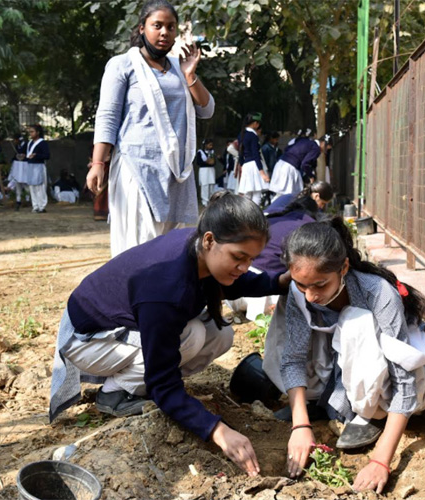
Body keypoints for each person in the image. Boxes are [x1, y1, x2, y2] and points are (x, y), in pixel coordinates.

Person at [50, 192, 290, 476]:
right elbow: (163, 382)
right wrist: (217, 430)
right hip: (86, 339)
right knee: (192, 336)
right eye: (238, 257)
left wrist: (280, 281)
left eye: (251, 259)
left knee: (220, 333)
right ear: (209, 240)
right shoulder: (166, 287)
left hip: (120, 329)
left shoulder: (197, 248)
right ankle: (114, 393)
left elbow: (237, 281)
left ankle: (134, 383)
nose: (245, 267)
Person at [278, 217, 425, 493]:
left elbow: (405, 383)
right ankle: (326, 402)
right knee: (286, 321)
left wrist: (380, 461)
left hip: (395, 384)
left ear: (344, 268)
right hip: (343, 368)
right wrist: (300, 424)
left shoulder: (377, 293)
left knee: (355, 324)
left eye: (320, 285)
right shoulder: (302, 291)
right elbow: (293, 358)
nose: (311, 296)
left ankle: (373, 414)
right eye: (302, 285)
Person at [86, 0, 215, 257]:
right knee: (139, 243)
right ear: (142, 28)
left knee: (176, 245)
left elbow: (207, 109)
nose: (164, 32)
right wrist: (98, 163)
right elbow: (108, 116)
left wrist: (190, 76)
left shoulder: (180, 68)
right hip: (138, 166)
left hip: (177, 171)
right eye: (157, 25)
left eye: (170, 26)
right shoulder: (122, 64)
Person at [229, 182, 334, 323]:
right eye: (322, 204)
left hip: (233, 290)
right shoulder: (308, 229)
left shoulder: (276, 213)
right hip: (262, 296)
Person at [269, 135, 326, 199]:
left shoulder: (304, 140)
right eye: (326, 147)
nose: (325, 150)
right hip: (290, 168)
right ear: (323, 143)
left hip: (280, 164)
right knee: (288, 196)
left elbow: (287, 148)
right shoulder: (316, 148)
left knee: (281, 195)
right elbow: (305, 164)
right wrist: (311, 176)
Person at [236, 112, 269, 206]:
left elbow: (240, 153)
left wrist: (242, 165)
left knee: (247, 193)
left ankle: (245, 213)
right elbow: (256, 154)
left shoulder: (241, 134)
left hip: (246, 165)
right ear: (255, 123)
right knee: (257, 193)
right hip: (254, 166)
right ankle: (254, 213)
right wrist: (262, 173)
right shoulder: (253, 136)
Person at [25, 124, 50, 213]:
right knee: (32, 186)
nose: (30, 134)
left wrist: (36, 155)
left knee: (40, 186)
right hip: (30, 165)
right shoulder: (29, 143)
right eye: (30, 132)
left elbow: (47, 156)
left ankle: (42, 206)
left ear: (38, 132)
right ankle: (35, 206)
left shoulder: (42, 143)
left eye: (32, 132)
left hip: (39, 166)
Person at [8, 134, 29, 211]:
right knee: (17, 182)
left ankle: (28, 198)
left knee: (26, 183)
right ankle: (18, 200)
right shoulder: (17, 146)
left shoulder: (27, 145)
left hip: (24, 166)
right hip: (18, 166)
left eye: (15, 140)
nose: (14, 141)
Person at [196, 138, 216, 206]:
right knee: (205, 185)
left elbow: (213, 162)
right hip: (204, 171)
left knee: (211, 185)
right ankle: (205, 201)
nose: (211, 146)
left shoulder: (212, 152)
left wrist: (211, 162)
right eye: (209, 145)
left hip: (211, 170)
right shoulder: (200, 152)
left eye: (212, 145)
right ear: (205, 145)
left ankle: (211, 200)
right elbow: (198, 162)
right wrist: (207, 162)